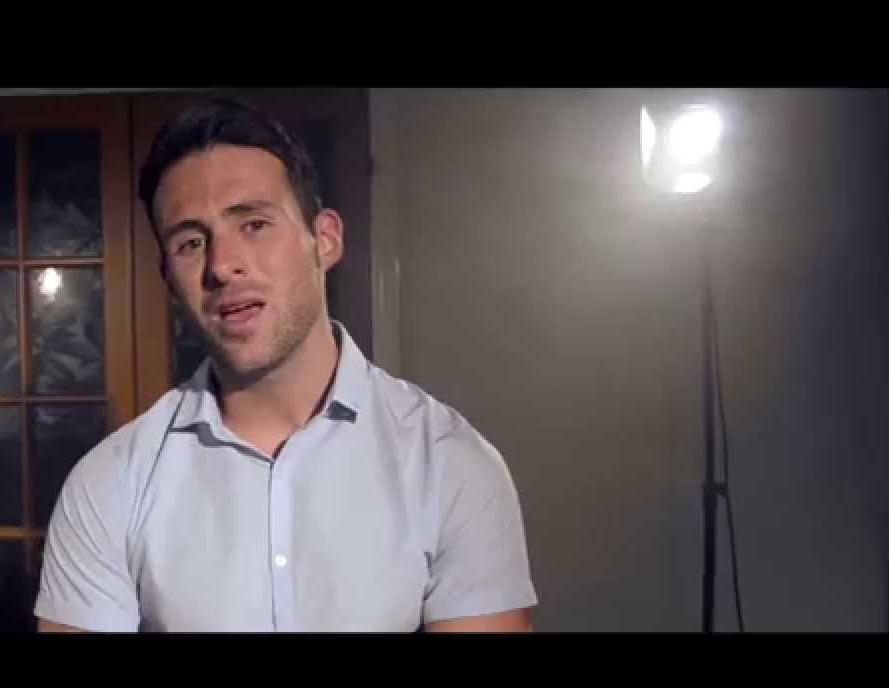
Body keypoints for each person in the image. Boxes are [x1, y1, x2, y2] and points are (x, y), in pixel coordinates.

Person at [35, 97, 537, 632]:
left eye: (253, 224)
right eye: (191, 242)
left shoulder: (450, 463)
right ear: (169, 278)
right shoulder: (110, 483)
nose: (222, 265)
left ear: (326, 239)